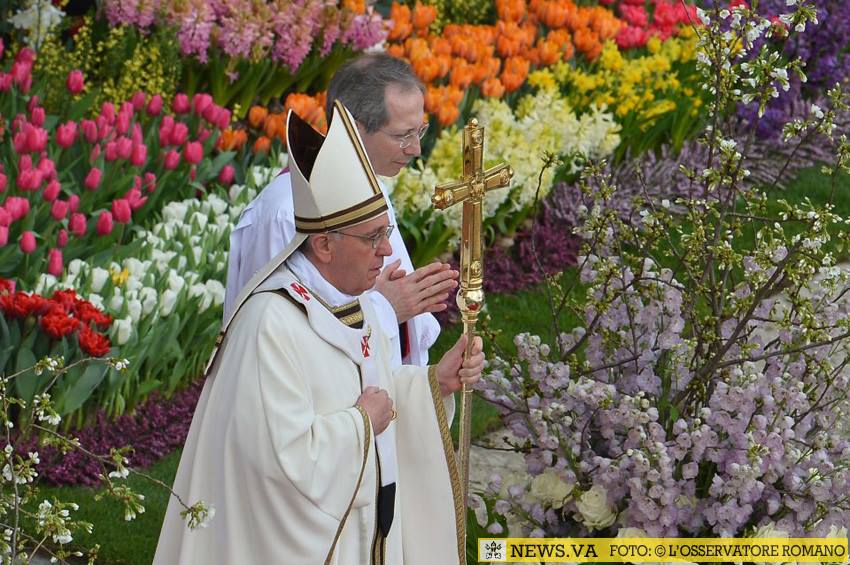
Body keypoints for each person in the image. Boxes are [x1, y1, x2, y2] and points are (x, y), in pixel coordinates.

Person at [154, 102, 482, 564]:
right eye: (372, 238)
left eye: (385, 232)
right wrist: (361, 424)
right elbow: (275, 461)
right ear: (324, 244)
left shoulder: (361, 299)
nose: (387, 251)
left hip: (366, 532)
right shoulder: (270, 323)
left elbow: (375, 387)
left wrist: (434, 384)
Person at [225, 53, 456, 368]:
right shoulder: (285, 214)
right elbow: (276, 336)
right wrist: (387, 309)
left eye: (420, 131)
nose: (416, 149)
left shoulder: (370, 186)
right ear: (354, 129)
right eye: (403, 136)